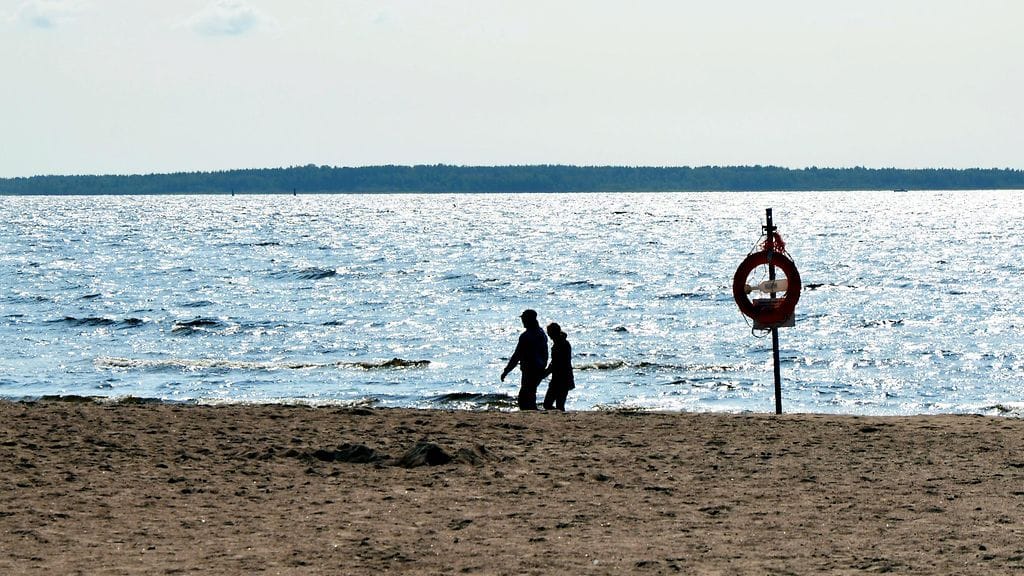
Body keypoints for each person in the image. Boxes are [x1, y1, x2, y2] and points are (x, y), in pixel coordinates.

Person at [500, 309, 548, 410]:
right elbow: (545, 353)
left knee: (524, 397)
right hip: (539, 367)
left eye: (524, 319)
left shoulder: (526, 336)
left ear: (529, 320)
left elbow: (517, 355)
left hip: (530, 369)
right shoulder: (541, 333)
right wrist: (543, 366)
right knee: (530, 394)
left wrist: (506, 370)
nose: (523, 321)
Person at [542, 322, 575, 411]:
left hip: (562, 377)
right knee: (555, 404)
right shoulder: (560, 343)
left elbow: (556, 363)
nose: (548, 334)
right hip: (562, 377)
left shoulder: (561, 344)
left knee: (551, 404)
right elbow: (554, 362)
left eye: (549, 332)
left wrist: (545, 373)